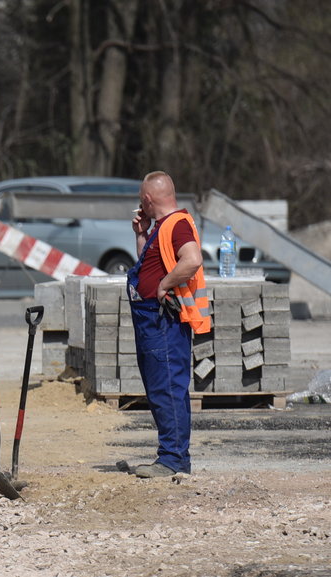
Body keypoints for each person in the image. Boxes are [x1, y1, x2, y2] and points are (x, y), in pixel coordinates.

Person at [126, 171, 211, 478]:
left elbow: (192, 260)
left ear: (148, 199)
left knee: (169, 387)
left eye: (141, 200)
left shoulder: (177, 225)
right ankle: (172, 456)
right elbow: (150, 264)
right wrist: (141, 234)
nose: (140, 204)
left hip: (164, 319)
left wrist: (163, 285)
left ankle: (173, 459)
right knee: (159, 388)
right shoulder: (161, 227)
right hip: (151, 318)